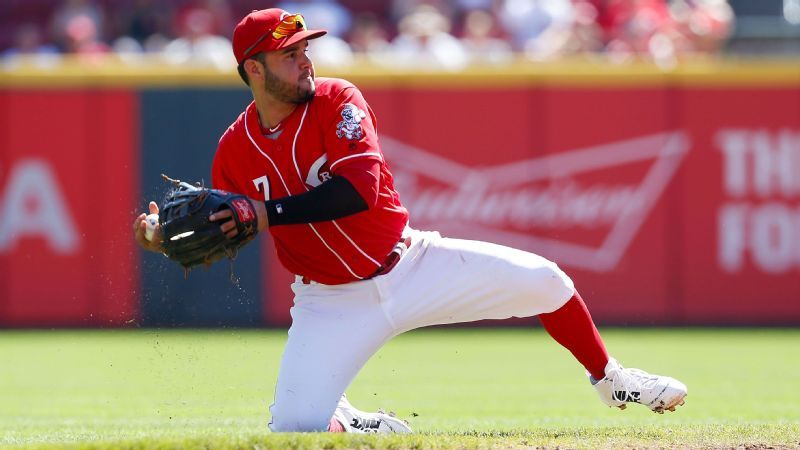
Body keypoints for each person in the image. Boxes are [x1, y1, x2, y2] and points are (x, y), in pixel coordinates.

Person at [133, 8, 688, 433]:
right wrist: (166, 239)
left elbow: (359, 191)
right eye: (289, 54)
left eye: (305, 48)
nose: (305, 60)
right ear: (253, 69)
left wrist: (267, 212)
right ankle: (347, 421)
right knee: (291, 430)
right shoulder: (234, 148)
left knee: (549, 281)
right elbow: (224, 226)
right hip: (329, 300)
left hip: (412, 264)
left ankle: (612, 380)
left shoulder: (337, 100)